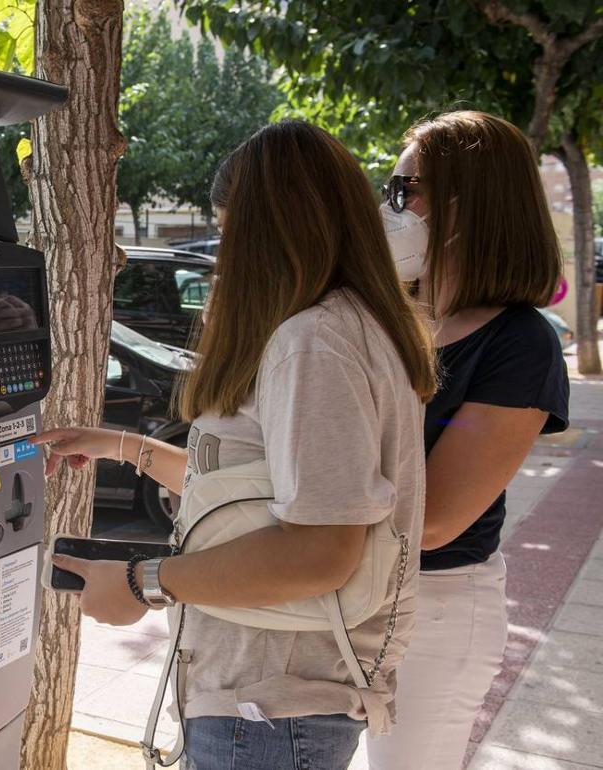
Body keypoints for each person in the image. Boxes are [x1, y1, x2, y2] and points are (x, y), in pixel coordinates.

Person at [36, 121, 437, 770]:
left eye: (231, 234)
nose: (226, 257)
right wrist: (122, 445)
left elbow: (319, 550)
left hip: (272, 714)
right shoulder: (345, 325)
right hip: (266, 707)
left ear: (270, 231)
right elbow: (261, 491)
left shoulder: (315, 341)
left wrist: (143, 583)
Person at [365, 111, 570, 769]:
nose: (386, 207)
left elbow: (434, 521)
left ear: (465, 205)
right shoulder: (387, 319)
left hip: (435, 610)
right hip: (344, 588)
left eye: (403, 192)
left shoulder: (521, 343)